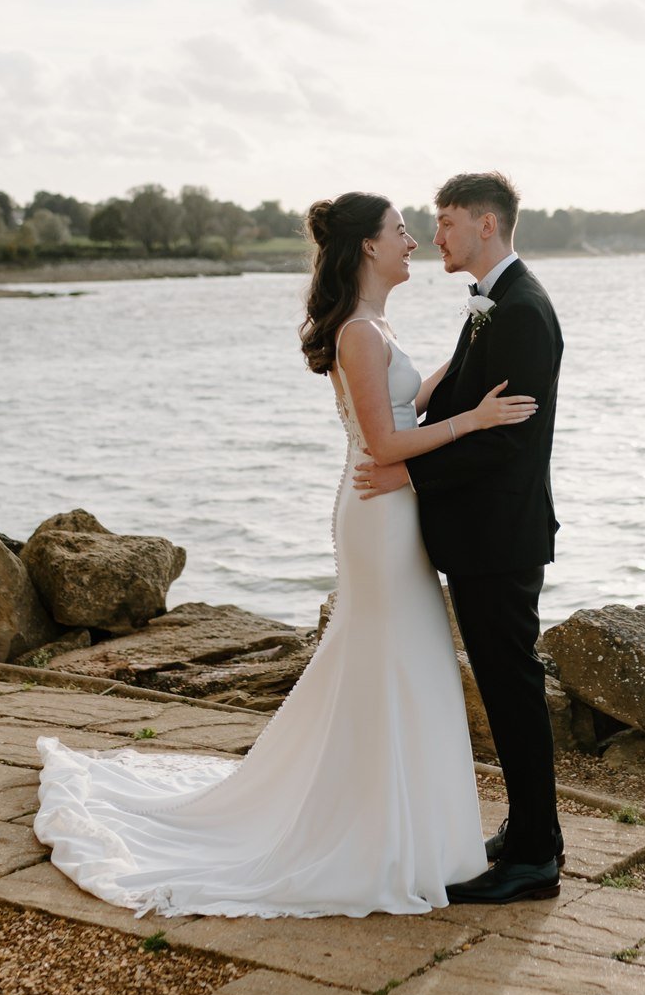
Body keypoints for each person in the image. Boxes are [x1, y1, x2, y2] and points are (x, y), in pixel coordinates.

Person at [32, 190, 537, 919]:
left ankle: (395, 823)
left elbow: (399, 406)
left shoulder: (372, 327)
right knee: (391, 656)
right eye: (400, 232)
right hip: (379, 513)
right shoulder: (360, 334)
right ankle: (371, 831)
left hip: (388, 511)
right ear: (367, 245)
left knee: (395, 659)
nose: (413, 243)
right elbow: (387, 444)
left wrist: (460, 366)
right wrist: (474, 420)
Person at [354, 171, 564, 906]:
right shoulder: (493, 304)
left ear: (484, 224)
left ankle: (537, 855)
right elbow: (461, 404)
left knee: (512, 691)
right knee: (506, 691)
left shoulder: (520, 311)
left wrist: (409, 479)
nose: (432, 235)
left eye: (443, 222)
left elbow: (507, 441)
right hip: (484, 534)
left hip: (499, 536)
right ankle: (526, 831)